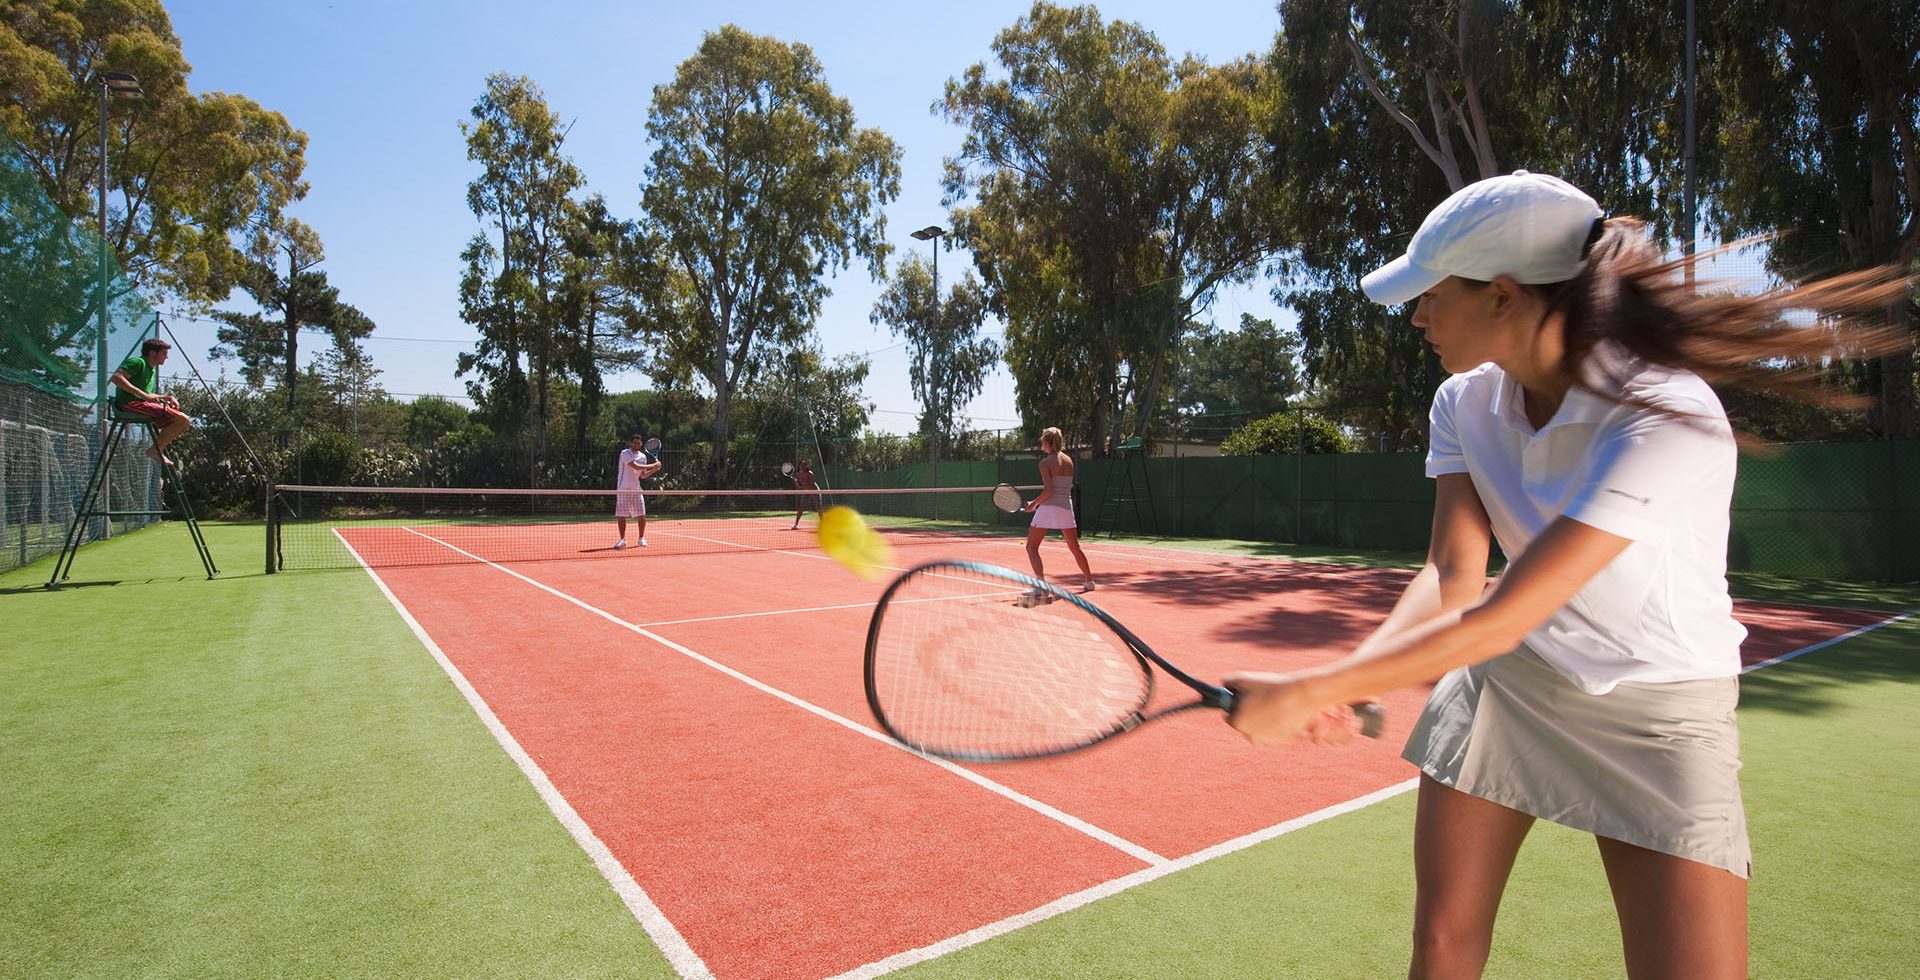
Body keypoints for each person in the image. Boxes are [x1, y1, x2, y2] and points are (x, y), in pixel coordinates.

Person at [1222, 171, 1907, 979]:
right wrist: (1357, 676)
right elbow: (1455, 569)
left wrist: (1313, 689)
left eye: (1432, 294)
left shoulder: (1664, 413)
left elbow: (1505, 610)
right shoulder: (1463, 404)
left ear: (1504, 295)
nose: (1417, 317)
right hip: (1509, 684)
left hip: (1661, 708)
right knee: (1441, 946)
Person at [1022, 426, 1094, 593]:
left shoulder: (1045, 463)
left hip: (1048, 508)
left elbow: (1049, 491)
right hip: (1065, 508)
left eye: (1042, 441)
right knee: (1075, 547)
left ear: (1047, 442)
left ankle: (1040, 586)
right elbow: (1059, 490)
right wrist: (1035, 502)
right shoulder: (1069, 461)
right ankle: (1089, 581)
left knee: (1031, 547)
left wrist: (1033, 505)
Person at [109, 338, 191, 466]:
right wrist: (144, 396)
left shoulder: (151, 369)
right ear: (153, 353)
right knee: (182, 419)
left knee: (181, 420)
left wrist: (164, 398)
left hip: (139, 403)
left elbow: (146, 394)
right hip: (128, 404)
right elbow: (116, 378)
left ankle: (157, 448)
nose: (166, 357)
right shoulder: (138, 362)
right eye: (164, 353)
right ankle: (155, 450)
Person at [613, 433, 662, 549]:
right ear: (631, 443)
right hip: (623, 489)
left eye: (639, 443)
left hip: (636, 489)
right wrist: (653, 464)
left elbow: (643, 475)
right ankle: (622, 540)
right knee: (622, 515)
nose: (636, 444)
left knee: (642, 514)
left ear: (641, 444)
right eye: (634, 442)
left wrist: (654, 469)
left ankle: (641, 538)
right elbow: (634, 466)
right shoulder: (625, 453)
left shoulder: (643, 457)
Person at [789, 458, 820, 530]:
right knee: (801, 507)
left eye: (804, 465)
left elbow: (811, 484)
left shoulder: (810, 473)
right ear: (799, 466)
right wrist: (797, 484)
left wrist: (802, 485)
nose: (803, 466)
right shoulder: (798, 474)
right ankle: (796, 524)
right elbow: (799, 486)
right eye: (802, 465)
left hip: (814, 490)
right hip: (806, 491)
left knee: (818, 507)